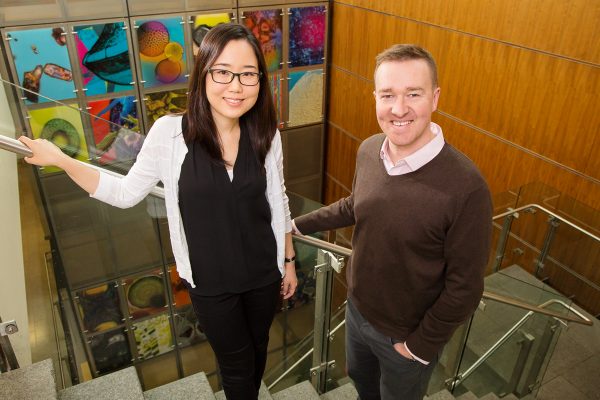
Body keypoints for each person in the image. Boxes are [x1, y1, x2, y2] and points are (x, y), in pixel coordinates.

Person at [20, 23, 297, 400]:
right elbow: (124, 192)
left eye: (248, 74)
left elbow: (277, 199)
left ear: (260, 81)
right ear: (203, 74)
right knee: (236, 366)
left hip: (265, 274)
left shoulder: (265, 133)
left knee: (259, 348)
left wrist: (289, 260)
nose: (236, 86)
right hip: (211, 283)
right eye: (223, 72)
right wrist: (63, 161)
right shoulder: (170, 134)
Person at [293, 44, 493, 400]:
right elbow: (357, 205)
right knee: (361, 382)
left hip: (406, 336)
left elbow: (465, 286)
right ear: (375, 97)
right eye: (388, 95)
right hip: (357, 311)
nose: (398, 109)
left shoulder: (467, 187)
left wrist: (418, 346)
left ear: (434, 98)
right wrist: (296, 226)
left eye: (413, 94)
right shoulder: (370, 149)